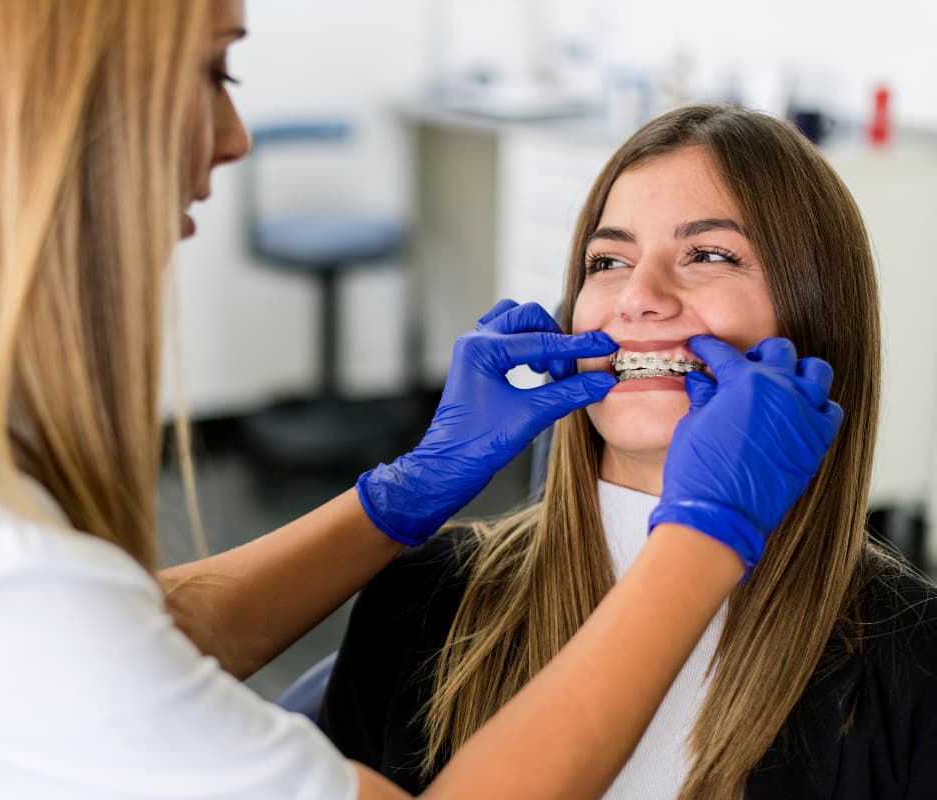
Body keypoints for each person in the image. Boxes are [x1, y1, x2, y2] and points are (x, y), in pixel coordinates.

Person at [0, 3, 842, 798]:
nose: (233, 137)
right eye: (217, 69)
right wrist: (703, 539)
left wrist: (396, 497)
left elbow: (134, 635)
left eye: (705, 254)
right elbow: (49, 632)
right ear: (41, 96)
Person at [318, 104, 937, 799]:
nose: (638, 298)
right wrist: (401, 493)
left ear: (818, 319)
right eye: (607, 261)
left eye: (708, 255)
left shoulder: (914, 660)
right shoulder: (421, 600)